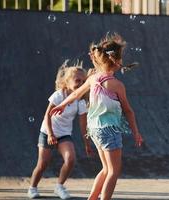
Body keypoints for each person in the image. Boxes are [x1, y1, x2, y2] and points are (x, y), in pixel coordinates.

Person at [50, 33, 144, 200]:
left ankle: (92, 198)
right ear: (116, 61)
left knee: (106, 169)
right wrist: (136, 132)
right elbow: (128, 111)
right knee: (114, 171)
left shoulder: (93, 78)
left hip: (94, 129)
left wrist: (63, 105)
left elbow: (77, 93)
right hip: (109, 130)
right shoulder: (116, 85)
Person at [28, 61, 93, 199]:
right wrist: (50, 134)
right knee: (43, 163)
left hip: (64, 134)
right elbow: (48, 115)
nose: (81, 84)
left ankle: (59, 187)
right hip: (47, 132)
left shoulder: (80, 101)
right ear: (67, 81)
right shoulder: (59, 95)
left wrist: (87, 143)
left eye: (83, 81)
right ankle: (32, 187)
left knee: (70, 160)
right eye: (77, 80)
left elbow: (83, 123)